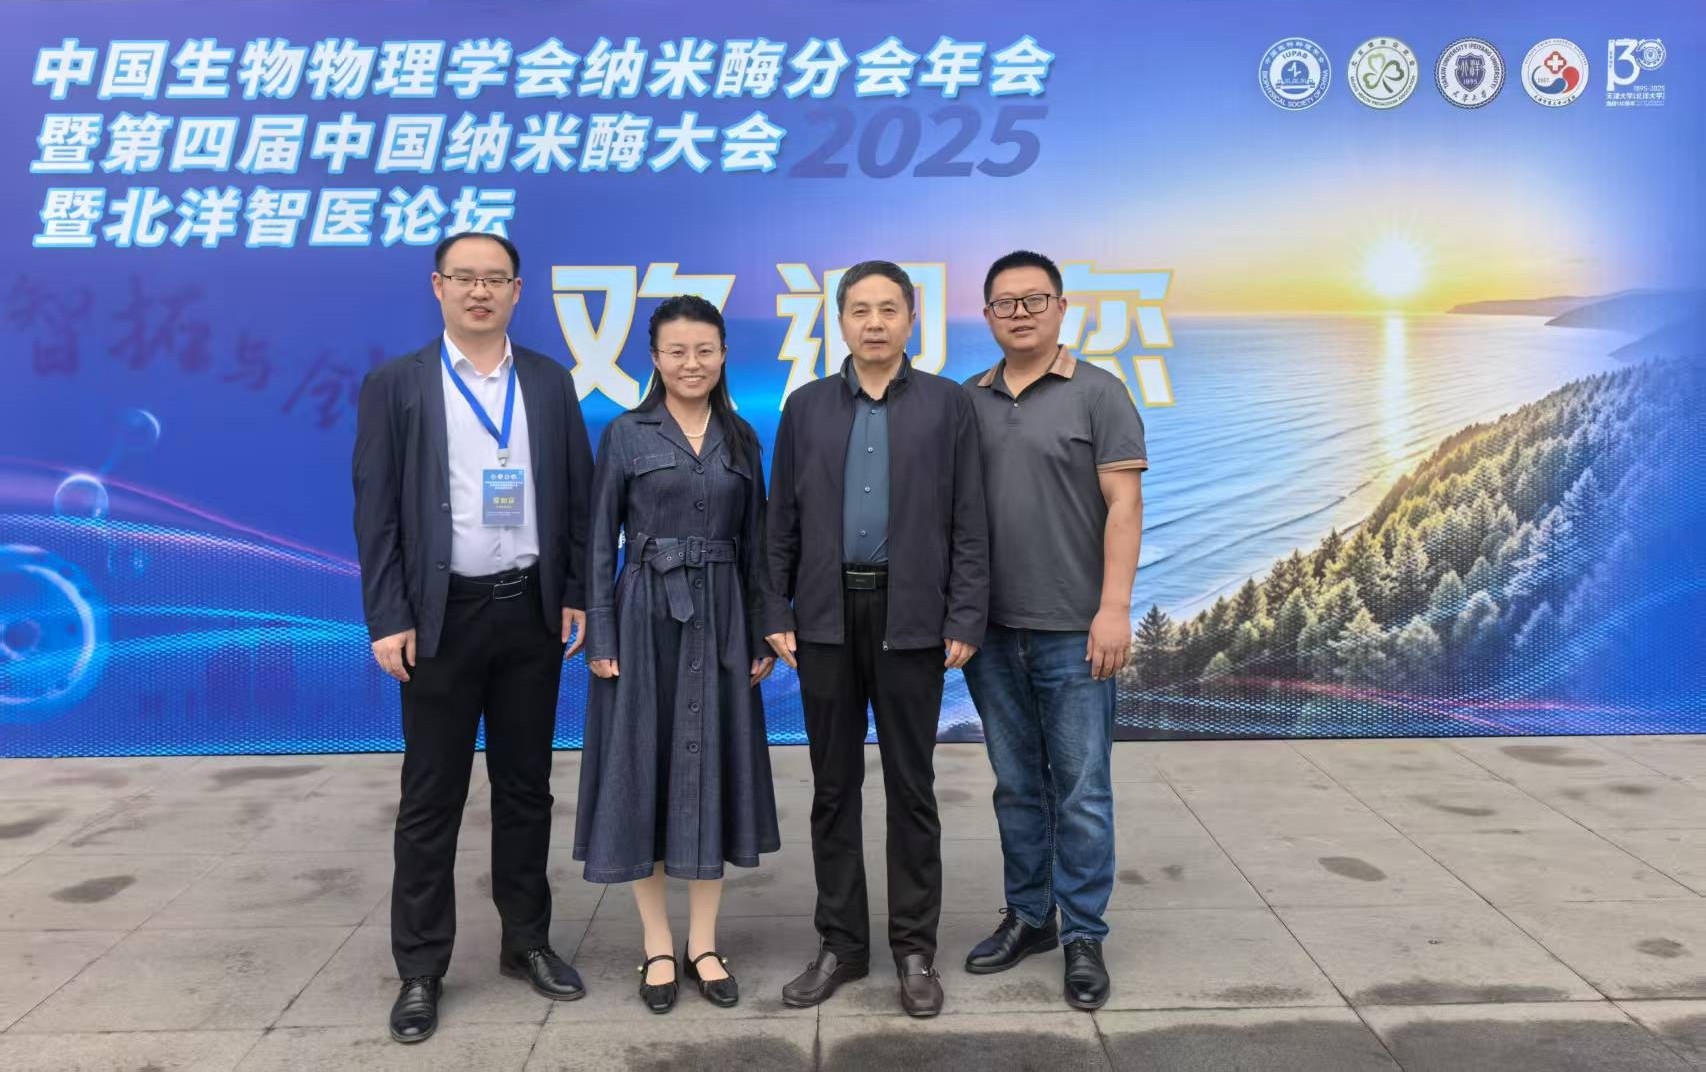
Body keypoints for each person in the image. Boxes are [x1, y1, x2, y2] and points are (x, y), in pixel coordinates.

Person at [353, 232, 594, 1044]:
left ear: (518, 291)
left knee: (526, 789)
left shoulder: (549, 382)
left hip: (529, 613)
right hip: (440, 618)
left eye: (496, 279)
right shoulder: (397, 385)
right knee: (432, 798)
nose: (480, 291)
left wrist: (575, 592)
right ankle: (421, 968)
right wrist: (389, 614)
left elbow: (578, 496)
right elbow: (376, 511)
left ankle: (527, 942)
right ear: (438, 286)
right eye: (465, 277)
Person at [765, 260, 989, 1018]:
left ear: (911, 318)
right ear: (840, 319)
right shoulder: (805, 407)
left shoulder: (947, 404)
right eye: (859, 309)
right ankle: (841, 945)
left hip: (912, 618)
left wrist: (965, 615)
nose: (874, 322)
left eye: (888, 309)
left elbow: (969, 517)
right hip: (825, 618)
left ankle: (915, 949)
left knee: (911, 788)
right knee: (832, 790)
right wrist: (775, 607)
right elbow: (781, 519)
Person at [576, 295, 780, 1013]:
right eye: (676, 352)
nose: (691, 364)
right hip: (643, 618)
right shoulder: (626, 435)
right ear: (655, 359)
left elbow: (758, 545)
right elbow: (598, 542)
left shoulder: (742, 438)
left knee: (712, 771)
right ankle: (658, 944)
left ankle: (704, 944)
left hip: (722, 617)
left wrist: (762, 629)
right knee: (643, 769)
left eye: (705, 350)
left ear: (723, 355)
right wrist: (602, 634)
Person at [959, 250, 1147, 1011]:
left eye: (1034, 299)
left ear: (1062, 308)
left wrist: (1114, 608)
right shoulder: (969, 400)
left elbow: (1124, 506)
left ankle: (1084, 936)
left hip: (1076, 629)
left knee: (1082, 791)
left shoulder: (1099, 393)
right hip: (991, 631)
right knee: (1016, 787)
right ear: (987, 316)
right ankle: (1031, 917)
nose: (1021, 313)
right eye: (1005, 303)